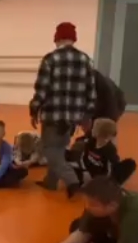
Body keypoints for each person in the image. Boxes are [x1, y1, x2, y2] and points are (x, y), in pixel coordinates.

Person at [33, 22, 96, 193]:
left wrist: (34, 108)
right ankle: (50, 182)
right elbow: (91, 90)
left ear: (57, 38)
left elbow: (41, 88)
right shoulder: (85, 59)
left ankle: (71, 180)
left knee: (49, 149)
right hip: (74, 116)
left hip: (53, 114)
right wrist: (87, 114)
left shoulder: (51, 59)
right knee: (60, 148)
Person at [68, 118, 136, 194]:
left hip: (95, 175)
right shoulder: (103, 147)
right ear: (109, 135)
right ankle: (110, 186)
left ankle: (102, 185)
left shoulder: (94, 143)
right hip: (97, 176)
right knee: (130, 163)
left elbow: (109, 169)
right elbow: (111, 168)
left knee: (129, 163)